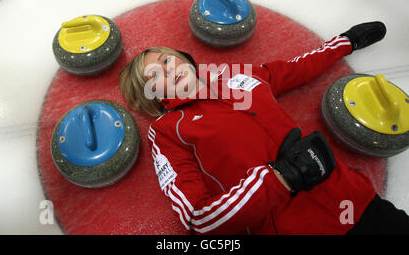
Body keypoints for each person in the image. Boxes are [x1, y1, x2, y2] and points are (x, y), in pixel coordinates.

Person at [119, 21, 409, 235]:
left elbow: (295, 69)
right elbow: (197, 218)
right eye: (154, 74)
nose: (168, 69)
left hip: (356, 198)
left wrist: (346, 42)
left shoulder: (235, 78)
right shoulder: (168, 130)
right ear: (149, 95)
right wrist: (281, 177)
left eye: (167, 59)